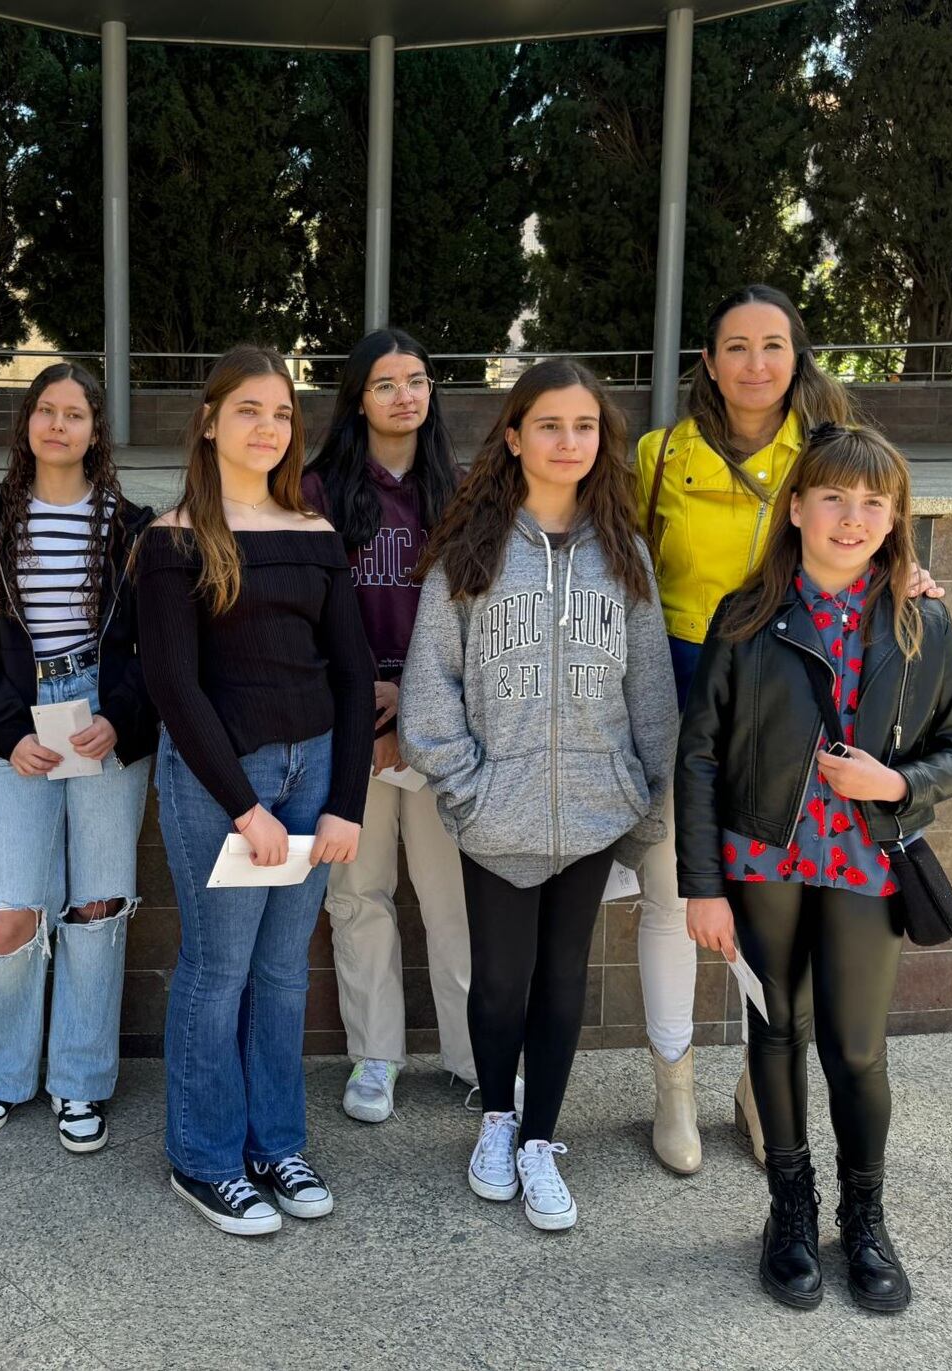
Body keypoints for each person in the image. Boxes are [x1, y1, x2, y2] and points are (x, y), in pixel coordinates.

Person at [677, 423, 952, 1311]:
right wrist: (701, 884)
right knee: (776, 1028)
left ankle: (864, 1217)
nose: (852, 518)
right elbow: (700, 756)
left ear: (895, 518)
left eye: (872, 503)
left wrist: (894, 779)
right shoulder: (745, 616)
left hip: (865, 860)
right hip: (762, 858)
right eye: (833, 498)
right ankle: (789, 1208)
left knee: (855, 1048)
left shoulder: (921, 620)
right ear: (799, 507)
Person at [400, 358, 677, 1232]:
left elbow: (653, 691)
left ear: (603, 441)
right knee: (500, 982)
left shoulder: (624, 553)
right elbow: (429, 689)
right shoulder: (469, 552)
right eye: (549, 425)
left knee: (564, 982)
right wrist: (469, 791)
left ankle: (541, 1141)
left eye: (585, 427)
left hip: (595, 809)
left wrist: (643, 793)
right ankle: (497, 1119)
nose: (568, 442)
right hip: (497, 814)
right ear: (514, 438)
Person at [136, 344, 374, 1236]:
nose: (268, 428)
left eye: (281, 414)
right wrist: (245, 807)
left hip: (313, 776)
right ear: (209, 420)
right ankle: (203, 1157)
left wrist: (344, 800)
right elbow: (174, 686)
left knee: (282, 971)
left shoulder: (314, 536)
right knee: (218, 970)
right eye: (248, 410)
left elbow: (353, 676)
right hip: (218, 783)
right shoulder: (171, 540)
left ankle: (277, 1144)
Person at [632, 284, 870, 1173]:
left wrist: (914, 578)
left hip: (794, 691)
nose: (756, 363)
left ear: (798, 357)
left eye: (774, 345)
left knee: (783, 898)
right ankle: (675, 1090)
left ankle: (759, 1085)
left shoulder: (830, 454)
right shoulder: (659, 455)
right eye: (737, 345)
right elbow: (617, 559)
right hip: (682, 681)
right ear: (708, 360)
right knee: (675, 893)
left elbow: (876, 537)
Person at [0, 363, 156, 1152]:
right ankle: (2, 1074)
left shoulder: (130, 529)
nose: (60, 425)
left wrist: (119, 716)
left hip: (103, 722)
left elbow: (151, 647)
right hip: (24, 729)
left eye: (75, 414)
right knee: (9, 915)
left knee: (97, 910)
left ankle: (79, 1082)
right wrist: (8, 732)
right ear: (27, 423)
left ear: (96, 430)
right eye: (47, 411)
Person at [302, 329, 473, 1122]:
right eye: (386, 383)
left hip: (442, 725)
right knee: (359, 891)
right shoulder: (317, 490)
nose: (405, 395)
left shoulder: (466, 491)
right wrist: (365, 705)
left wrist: (419, 703)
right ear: (358, 398)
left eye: (419, 379)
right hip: (350, 725)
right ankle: (375, 1057)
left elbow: (482, 619)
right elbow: (306, 615)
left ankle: (476, 1056)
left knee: (451, 898)